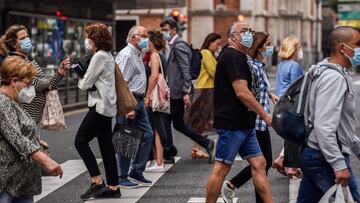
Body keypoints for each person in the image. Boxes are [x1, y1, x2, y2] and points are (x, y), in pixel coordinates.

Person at [205, 22, 274, 203]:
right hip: (232, 124)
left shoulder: (241, 57)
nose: (249, 34)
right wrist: (265, 115)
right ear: (233, 37)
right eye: (244, 31)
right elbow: (242, 91)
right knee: (221, 168)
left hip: (245, 123)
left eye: (250, 31)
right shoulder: (232, 56)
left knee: (260, 164)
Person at [297, 26, 360, 203]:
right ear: (342, 48)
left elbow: (339, 124)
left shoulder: (325, 72)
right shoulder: (334, 78)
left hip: (314, 152)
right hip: (323, 156)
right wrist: (339, 165)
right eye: (358, 44)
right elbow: (324, 126)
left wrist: (356, 147)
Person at [221, 31, 279, 203]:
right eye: (267, 44)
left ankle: (233, 185)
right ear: (259, 47)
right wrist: (263, 113)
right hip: (256, 120)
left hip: (260, 119)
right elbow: (246, 91)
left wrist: (269, 94)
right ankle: (231, 184)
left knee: (262, 163)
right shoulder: (251, 65)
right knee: (263, 163)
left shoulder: (258, 65)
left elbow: (258, 87)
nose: (270, 47)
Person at [0, 56, 63, 203]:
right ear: (14, 81)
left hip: (22, 181)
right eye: (28, 84)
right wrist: (46, 161)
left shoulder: (14, 101)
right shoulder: (3, 103)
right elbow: (17, 138)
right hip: (8, 182)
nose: (30, 89)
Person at [75, 23, 120, 200]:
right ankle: (114, 186)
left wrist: (80, 77)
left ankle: (97, 181)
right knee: (106, 147)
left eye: (89, 36)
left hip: (99, 107)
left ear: (95, 39)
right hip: (107, 107)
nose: (87, 40)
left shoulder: (99, 57)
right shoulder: (107, 55)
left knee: (80, 141)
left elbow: (86, 83)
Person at [160, 19, 215, 163]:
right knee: (178, 124)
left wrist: (185, 92)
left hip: (177, 92)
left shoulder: (178, 46)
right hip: (176, 90)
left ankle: (168, 152)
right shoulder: (174, 45)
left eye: (165, 30)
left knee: (165, 121)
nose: (163, 33)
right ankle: (206, 143)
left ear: (173, 30)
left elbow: (185, 70)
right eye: (162, 31)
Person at [0, 24, 70, 124]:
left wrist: (60, 72)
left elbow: (48, 86)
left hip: (32, 119)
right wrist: (44, 83)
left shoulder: (29, 61)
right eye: (23, 38)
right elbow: (37, 84)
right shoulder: (13, 62)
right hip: (22, 118)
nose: (27, 40)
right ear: (14, 44)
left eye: (27, 36)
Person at [115, 26, 154, 188]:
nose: (147, 39)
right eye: (143, 36)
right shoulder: (126, 55)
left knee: (147, 135)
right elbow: (121, 82)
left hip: (138, 100)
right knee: (126, 138)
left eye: (147, 36)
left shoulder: (137, 54)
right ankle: (121, 176)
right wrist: (128, 107)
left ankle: (136, 171)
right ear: (133, 38)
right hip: (128, 101)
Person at [272, 36, 304, 178]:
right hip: (291, 104)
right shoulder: (294, 66)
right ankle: (292, 166)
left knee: (291, 135)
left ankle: (282, 159)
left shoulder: (281, 65)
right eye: (298, 48)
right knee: (297, 134)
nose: (300, 51)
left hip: (281, 104)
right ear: (294, 49)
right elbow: (297, 89)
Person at [187, 33, 222, 159]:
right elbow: (214, 71)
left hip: (204, 88)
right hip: (206, 89)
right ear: (210, 42)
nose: (218, 47)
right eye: (217, 44)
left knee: (201, 121)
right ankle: (197, 148)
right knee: (202, 121)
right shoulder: (206, 53)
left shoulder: (208, 53)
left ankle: (196, 148)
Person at [144, 30, 170, 172]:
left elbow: (154, 76)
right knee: (157, 126)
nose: (146, 43)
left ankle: (159, 162)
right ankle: (158, 159)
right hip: (161, 96)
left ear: (152, 42)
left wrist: (147, 95)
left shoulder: (154, 56)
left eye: (147, 41)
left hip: (155, 96)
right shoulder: (161, 56)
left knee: (157, 128)